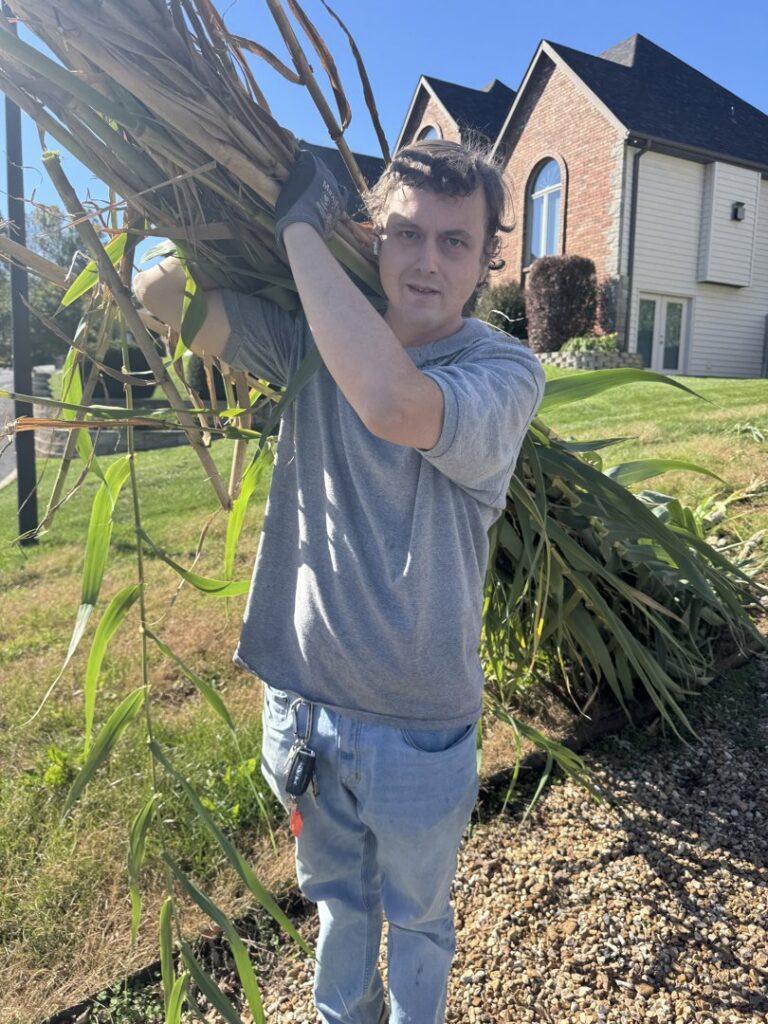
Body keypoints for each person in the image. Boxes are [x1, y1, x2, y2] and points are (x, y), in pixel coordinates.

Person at [133, 139, 545, 1024]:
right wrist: (199, 213)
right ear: (371, 238)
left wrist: (295, 231)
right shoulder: (313, 340)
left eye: (454, 242)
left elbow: (391, 403)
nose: (427, 261)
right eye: (406, 235)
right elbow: (162, 297)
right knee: (339, 911)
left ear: (484, 262)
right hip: (306, 713)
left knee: (420, 920)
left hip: (420, 731)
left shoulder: (505, 373)